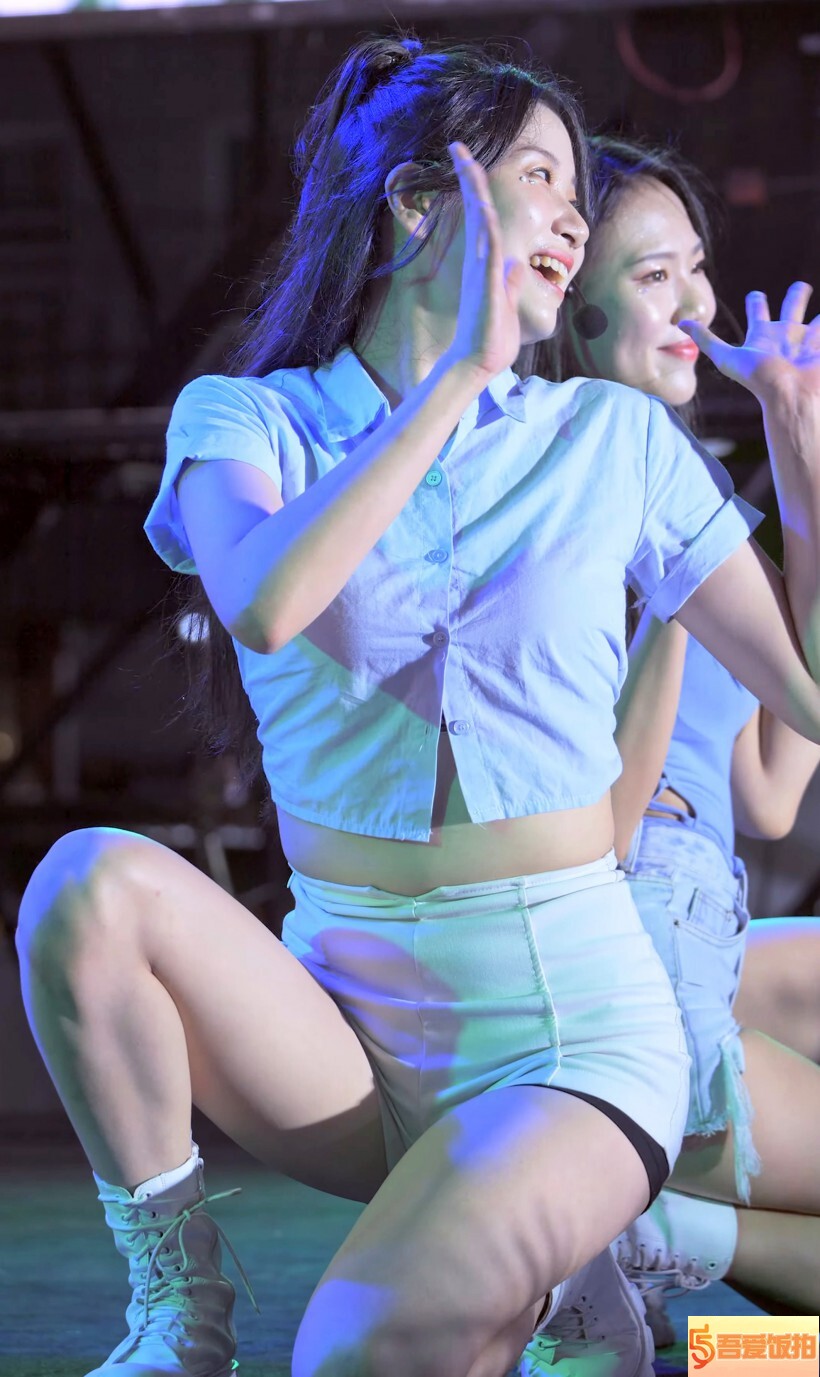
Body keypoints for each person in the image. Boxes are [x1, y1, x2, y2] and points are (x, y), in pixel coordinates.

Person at [14, 36, 820, 1377]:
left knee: (361, 1356)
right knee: (83, 884)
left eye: (580, 198)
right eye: (541, 175)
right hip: (349, 1030)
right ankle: (182, 1312)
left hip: (570, 1024)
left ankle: (612, 1268)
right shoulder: (245, 422)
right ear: (415, 201)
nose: (571, 217)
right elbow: (267, 601)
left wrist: (798, 443)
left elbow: (806, 703)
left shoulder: (611, 440)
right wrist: (453, 378)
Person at [535, 133, 820, 1350]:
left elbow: (772, 787)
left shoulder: (693, 502)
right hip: (637, 912)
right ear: (575, 313)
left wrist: (793, 428)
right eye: (655, 277)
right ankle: (659, 1234)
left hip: (713, 909)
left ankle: (669, 1256)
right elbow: (608, 826)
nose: (697, 304)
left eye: (694, 267)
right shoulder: (567, 488)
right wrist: (666, 579)